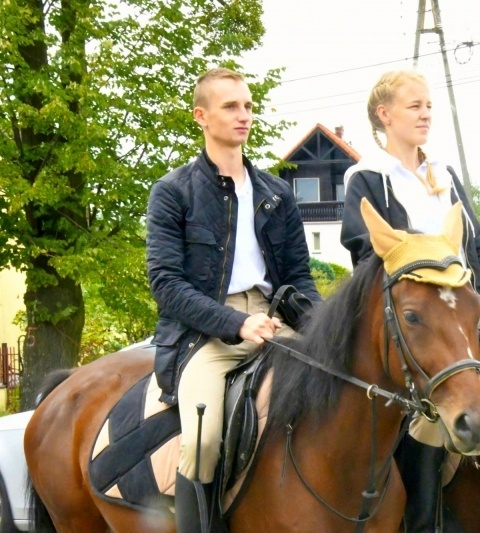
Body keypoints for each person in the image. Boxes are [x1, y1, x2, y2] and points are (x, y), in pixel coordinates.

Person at [340, 69, 480, 532]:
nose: (426, 113)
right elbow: (364, 254)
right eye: (415, 106)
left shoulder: (444, 175)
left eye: (429, 105)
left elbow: (478, 251)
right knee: (431, 417)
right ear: (384, 115)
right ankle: (423, 520)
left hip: (465, 316)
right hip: (414, 328)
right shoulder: (365, 178)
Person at [146, 67, 321, 533]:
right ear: (200, 116)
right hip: (204, 336)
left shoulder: (277, 194)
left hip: (276, 323)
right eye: (230, 106)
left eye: (247, 105)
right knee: (202, 441)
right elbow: (166, 283)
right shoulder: (172, 192)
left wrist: (324, 331)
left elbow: (299, 278)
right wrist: (236, 323)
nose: (243, 115)